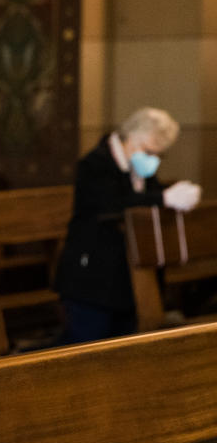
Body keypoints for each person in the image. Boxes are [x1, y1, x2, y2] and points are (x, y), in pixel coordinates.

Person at [55, 107, 202, 343]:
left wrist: (173, 194)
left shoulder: (137, 166)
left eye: (159, 155)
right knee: (88, 345)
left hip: (127, 275)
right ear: (132, 138)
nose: (152, 160)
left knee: (122, 346)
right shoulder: (95, 163)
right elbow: (111, 203)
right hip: (91, 275)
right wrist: (164, 198)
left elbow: (150, 195)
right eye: (149, 151)